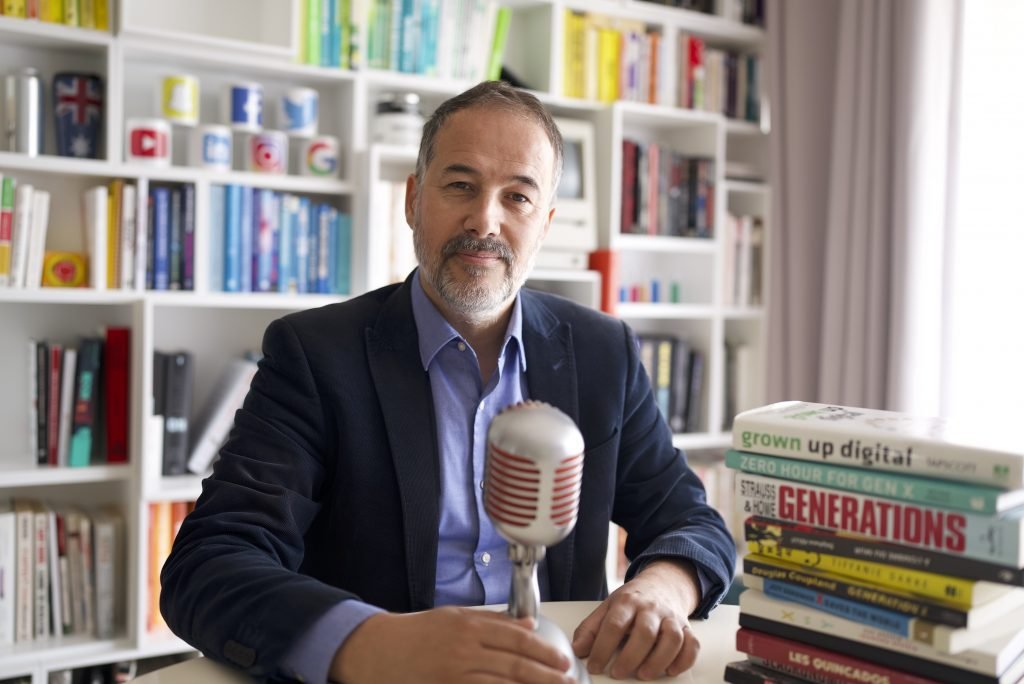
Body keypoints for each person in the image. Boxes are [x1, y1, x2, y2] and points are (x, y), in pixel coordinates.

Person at [161, 80, 736, 683]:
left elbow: (690, 523)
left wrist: (662, 590)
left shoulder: (601, 352)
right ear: (413, 200)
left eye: (518, 197)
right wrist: (371, 642)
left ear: (545, 223)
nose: (485, 220)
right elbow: (209, 564)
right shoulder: (315, 354)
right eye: (461, 185)